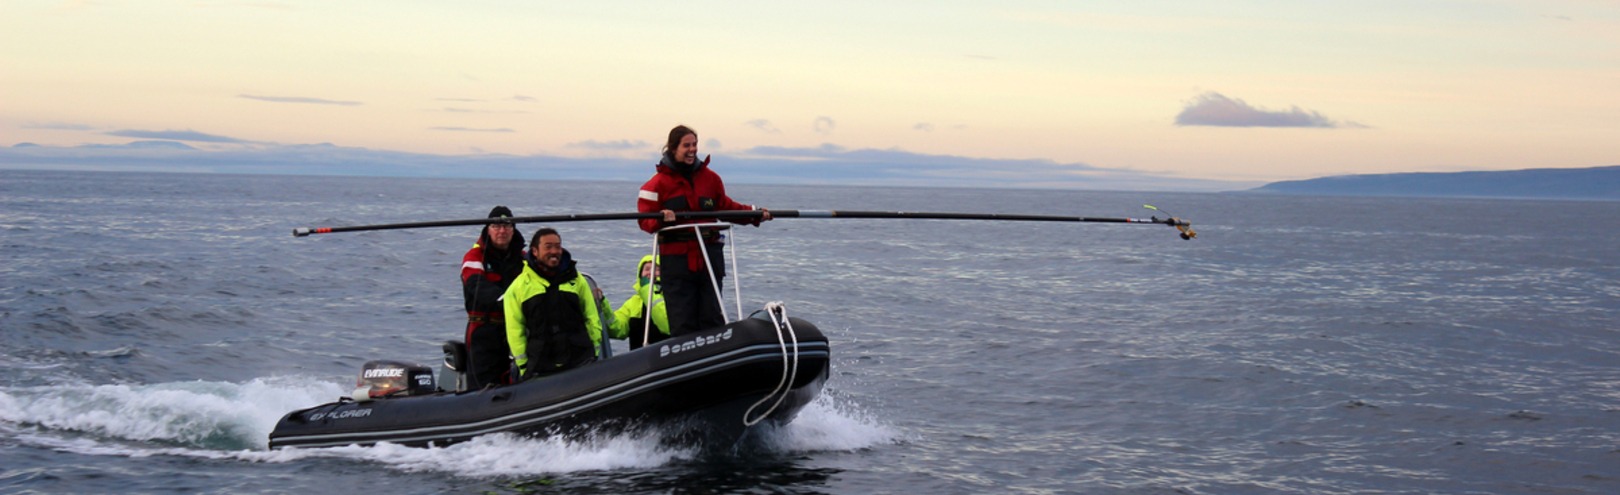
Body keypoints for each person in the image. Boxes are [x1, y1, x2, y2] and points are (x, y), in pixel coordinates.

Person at [636, 125, 771, 336]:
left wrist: (755, 214)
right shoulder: (655, 186)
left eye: (695, 145)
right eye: (686, 145)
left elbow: (726, 207)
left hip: (709, 256)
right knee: (682, 320)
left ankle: (719, 362)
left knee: (712, 317)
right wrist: (662, 219)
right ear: (673, 148)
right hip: (677, 262)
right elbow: (645, 221)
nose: (692, 150)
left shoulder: (711, 179)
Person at [503, 227, 605, 380]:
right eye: (548, 247)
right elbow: (515, 331)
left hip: (580, 359)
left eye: (558, 246)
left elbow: (591, 316)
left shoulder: (577, 280)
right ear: (535, 251)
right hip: (540, 366)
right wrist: (524, 366)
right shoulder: (518, 288)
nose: (554, 251)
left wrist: (594, 351)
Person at [459, 206, 525, 389]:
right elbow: (475, 286)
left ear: (513, 229)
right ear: (488, 229)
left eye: (507, 226)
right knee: (482, 385)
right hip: (484, 332)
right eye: (496, 226)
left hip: (516, 330)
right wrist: (507, 301)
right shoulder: (475, 257)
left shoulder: (524, 259)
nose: (502, 231)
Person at [609, 255, 670, 349]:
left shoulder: (672, 298)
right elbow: (617, 329)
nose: (650, 273)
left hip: (668, 356)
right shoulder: (633, 303)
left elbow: (667, 326)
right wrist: (602, 306)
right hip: (640, 360)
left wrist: (648, 290)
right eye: (647, 269)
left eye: (656, 269)